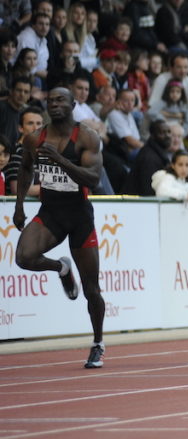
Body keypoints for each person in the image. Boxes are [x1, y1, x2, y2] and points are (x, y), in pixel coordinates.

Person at [12, 87, 107, 368]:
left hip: (79, 217)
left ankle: (98, 343)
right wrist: (19, 206)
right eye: (50, 100)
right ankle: (61, 269)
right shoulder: (36, 138)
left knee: (92, 289)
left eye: (60, 100)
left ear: (72, 104)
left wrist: (61, 160)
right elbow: (25, 168)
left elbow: (93, 179)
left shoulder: (86, 137)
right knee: (24, 257)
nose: (54, 105)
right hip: (50, 212)